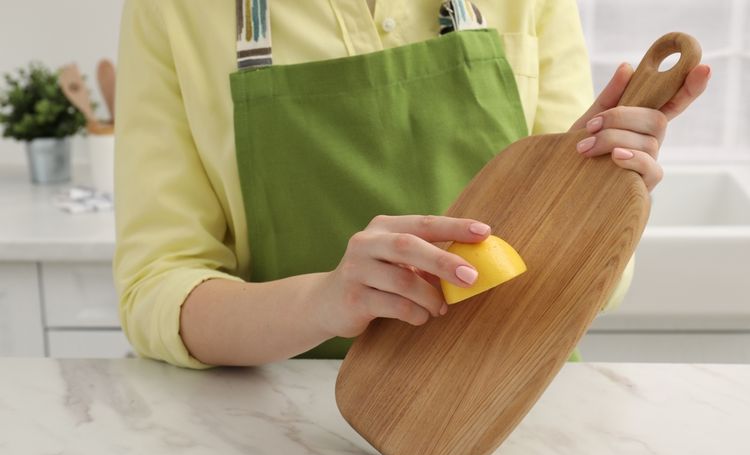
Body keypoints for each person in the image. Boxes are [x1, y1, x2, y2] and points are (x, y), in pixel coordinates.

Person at [113, 0, 710, 369]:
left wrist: (591, 195)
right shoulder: (173, 8)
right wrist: (324, 301)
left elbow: (597, 288)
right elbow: (157, 288)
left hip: (519, 411)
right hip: (290, 435)